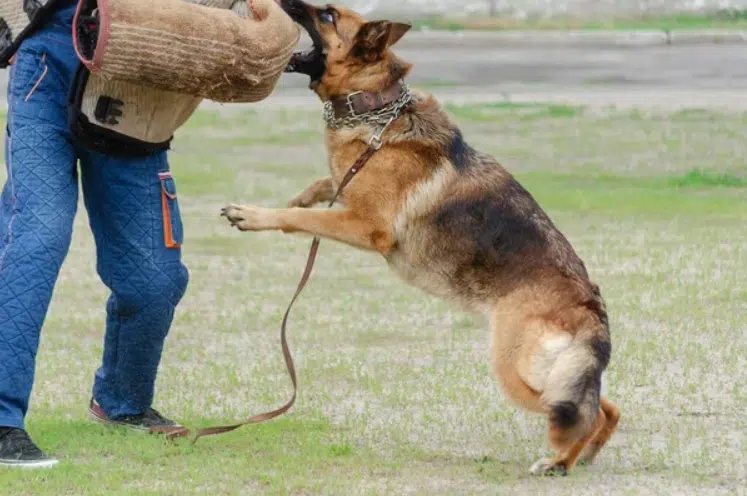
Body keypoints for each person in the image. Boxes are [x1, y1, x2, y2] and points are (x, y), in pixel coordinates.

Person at [0, 0, 190, 468]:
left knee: (154, 279)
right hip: (51, 65)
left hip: (140, 81)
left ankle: (123, 403)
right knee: (37, 236)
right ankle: (3, 419)